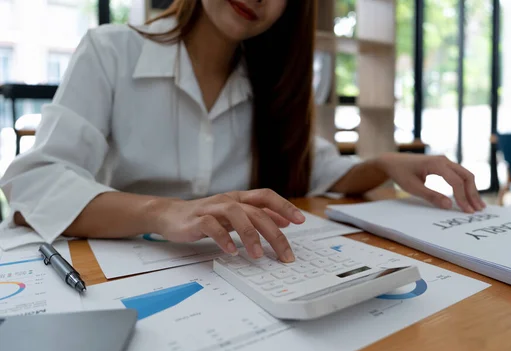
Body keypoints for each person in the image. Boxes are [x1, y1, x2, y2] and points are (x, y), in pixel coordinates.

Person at [0, 0, 484, 263]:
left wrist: (386, 164)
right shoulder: (111, 51)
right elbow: (33, 188)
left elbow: (323, 171)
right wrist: (164, 212)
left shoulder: (271, 90)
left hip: (228, 279)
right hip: (107, 277)